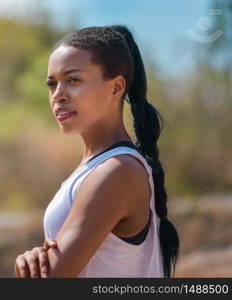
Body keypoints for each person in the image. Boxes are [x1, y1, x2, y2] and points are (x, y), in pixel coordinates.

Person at [14, 25, 179, 278]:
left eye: (73, 80)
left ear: (116, 87)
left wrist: (26, 269)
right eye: (52, 84)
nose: (58, 95)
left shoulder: (116, 171)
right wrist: (30, 261)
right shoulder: (95, 168)